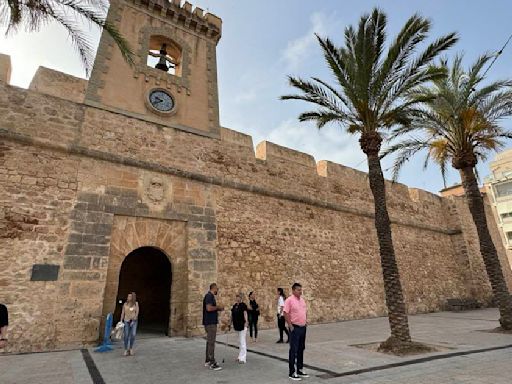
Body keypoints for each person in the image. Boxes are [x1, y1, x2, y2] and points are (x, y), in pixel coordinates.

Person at [284, 283, 309, 381]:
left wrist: (306, 321)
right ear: (293, 290)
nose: (300, 291)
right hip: (295, 328)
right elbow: (285, 312)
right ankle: (292, 372)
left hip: (303, 328)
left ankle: (299, 369)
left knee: (301, 349)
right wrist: (290, 325)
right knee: (293, 350)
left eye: (301, 289)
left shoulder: (302, 300)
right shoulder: (289, 300)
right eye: (298, 290)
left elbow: (304, 311)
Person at [203, 283, 224, 370]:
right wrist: (218, 307)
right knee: (211, 342)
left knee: (209, 342)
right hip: (210, 323)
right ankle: (212, 363)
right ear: (214, 288)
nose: (217, 291)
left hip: (209, 322)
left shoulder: (209, 296)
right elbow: (208, 308)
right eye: (217, 289)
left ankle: (208, 360)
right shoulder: (209, 296)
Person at [230, 293, 248, 363]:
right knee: (239, 341)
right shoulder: (234, 306)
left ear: (241, 298)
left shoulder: (243, 305)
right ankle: (240, 356)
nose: (237, 298)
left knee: (242, 341)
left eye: (239, 297)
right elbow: (232, 315)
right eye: (237, 297)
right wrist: (230, 323)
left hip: (242, 325)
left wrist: (246, 322)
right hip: (236, 326)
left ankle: (243, 358)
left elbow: (245, 314)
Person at [120, 292, 139, 356]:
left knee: (133, 334)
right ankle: (125, 349)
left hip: (134, 321)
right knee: (126, 335)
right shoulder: (125, 304)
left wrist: (134, 319)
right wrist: (121, 321)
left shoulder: (136, 304)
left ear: (132, 297)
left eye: (129, 296)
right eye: (128, 296)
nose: (128, 297)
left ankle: (130, 348)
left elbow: (137, 312)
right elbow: (123, 313)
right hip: (126, 321)